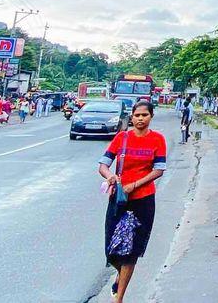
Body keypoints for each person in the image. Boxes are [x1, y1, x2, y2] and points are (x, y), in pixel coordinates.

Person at [97, 100, 166, 303]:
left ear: (151, 116)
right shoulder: (122, 138)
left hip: (143, 201)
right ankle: (120, 275)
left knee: (131, 250)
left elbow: (159, 169)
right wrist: (110, 176)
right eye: (137, 115)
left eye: (144, 115)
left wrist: (135, 184)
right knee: (112, 249)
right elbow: (103, 164)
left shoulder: (157, 139)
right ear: (132, 117)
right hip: (119, 199)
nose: (140, 119)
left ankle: (119, 298)